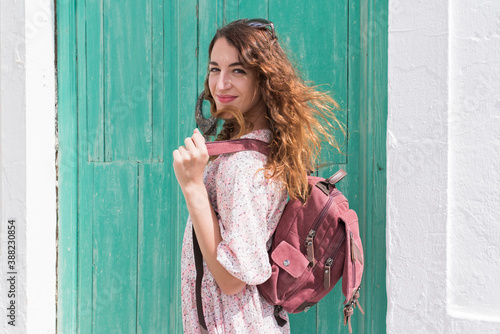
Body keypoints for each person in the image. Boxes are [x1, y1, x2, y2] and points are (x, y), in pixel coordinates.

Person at [173, 18, 342, 334]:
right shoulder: (259, 148)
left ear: (263, 80)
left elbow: (233, 279)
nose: (220, 84)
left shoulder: (243, 167)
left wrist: (193, 185)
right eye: (214, 69)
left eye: (237, 71)